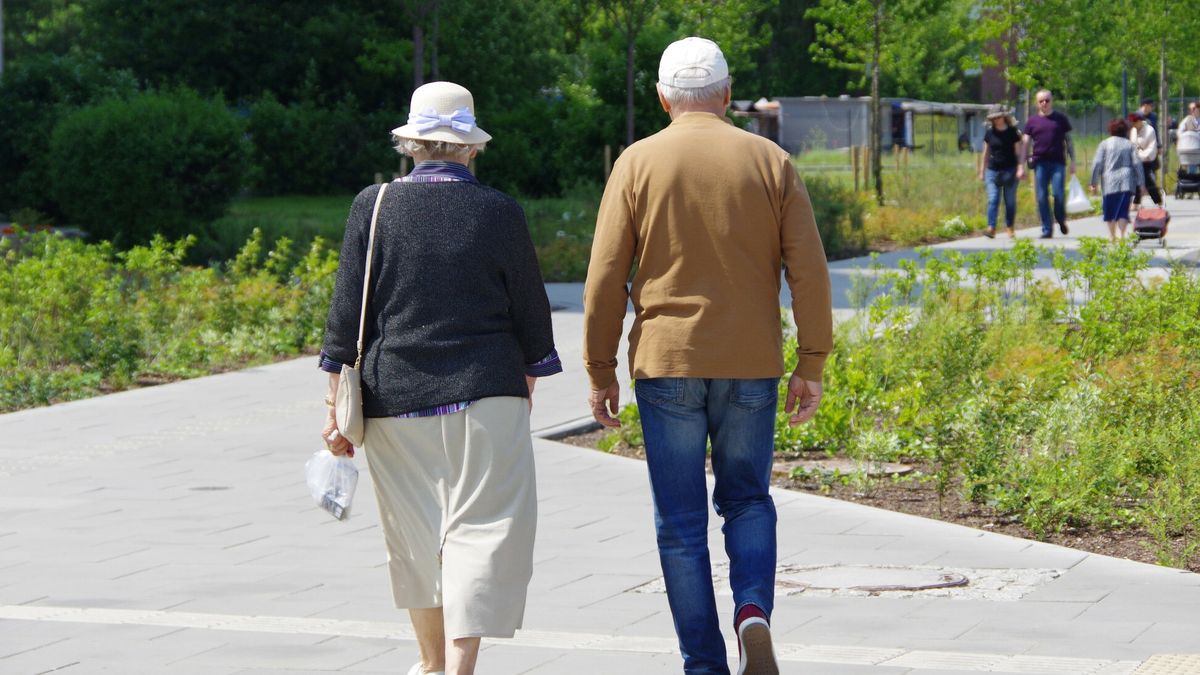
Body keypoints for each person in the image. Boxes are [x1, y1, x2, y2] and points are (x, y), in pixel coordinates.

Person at [583, 37, 832, 675]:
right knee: (748, 500)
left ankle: (704, 665)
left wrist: (599, 370)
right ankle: (753, 612)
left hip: (667, 364)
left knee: (681, 523)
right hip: (751, 361)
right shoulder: (771, 160)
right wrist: (812, 361)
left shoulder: (637, 163)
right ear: (726, 95)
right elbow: (809, 271)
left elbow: (606, 275)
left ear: (664, 97)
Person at [319, 81, 561, 675]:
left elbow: (345, 317)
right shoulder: (500, 211)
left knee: (414, 540)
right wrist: (529, 376)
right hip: (487, 394)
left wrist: (333, 408)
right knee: (482, 530)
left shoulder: (372, 205)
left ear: (412, 143)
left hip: (393, 397)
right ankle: (458, 667)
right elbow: (532, 312)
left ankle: (429, 664)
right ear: (471, 148)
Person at [1021, 89, 1076, 238]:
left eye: (1047, 100)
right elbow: (1025, 143)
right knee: (1041, 196)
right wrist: (1021, 165)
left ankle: (1060, 218)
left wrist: (1073, 161)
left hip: (1058, 162)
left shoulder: (1060, 119)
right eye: (1041, 101)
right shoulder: (1032, 122)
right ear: (1037, 103)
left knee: (1058, 194)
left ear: (1052, 101)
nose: (1044, 103)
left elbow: (1069, 141)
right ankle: (1047, 228)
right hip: (1040, 163)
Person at [1090, 117, 1144, 242]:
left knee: (1109, 210)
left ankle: (1112, 235)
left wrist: (1093, 181)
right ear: (1125, 130)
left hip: (1109, 181)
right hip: (1126, 180)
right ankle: (1122, 235)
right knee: (1123, 210)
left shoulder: (1104, 144)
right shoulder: (1129, 145)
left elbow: (1097, 163)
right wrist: (1141, 182)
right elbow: (1137, 164)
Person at [978, 110, 1025, 239]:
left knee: (1009, 201)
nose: (996, 119)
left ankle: (1010, 227)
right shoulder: (989, 133)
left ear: (1004, 117)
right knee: (993, 198)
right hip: (992, 170)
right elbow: (985, 153)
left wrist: (1021, 168)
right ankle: (991, 227)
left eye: (998, 117)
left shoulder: (1012, 132)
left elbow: (1018, 153)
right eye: (994, 118)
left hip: (1010, 170)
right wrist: (982, 171)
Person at [1129, 111, 1162, 206]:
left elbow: (1152, 148)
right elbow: (1132, 145)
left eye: (1135, 122)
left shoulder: (1149, 130)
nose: (1133, 125)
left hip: (1147, 159)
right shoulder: (1133, 130)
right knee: (1136, 180)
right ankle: (1136, 202)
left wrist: (1141, 156)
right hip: (1136, 159)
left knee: (1147, 181)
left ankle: (1158, 201)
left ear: (1140, 121)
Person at [1176, 101, 1200, 173]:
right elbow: (1180, 131)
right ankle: (1192, 180)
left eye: (1194, 109)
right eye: (1191, 109)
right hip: (1192, 147)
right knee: (1192, 164)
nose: (1192, 111)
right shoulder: (1187, 119)